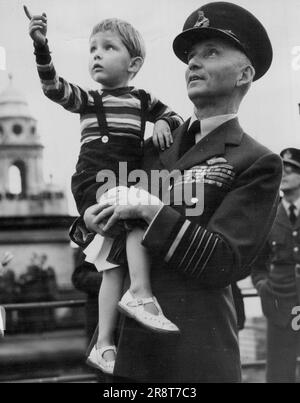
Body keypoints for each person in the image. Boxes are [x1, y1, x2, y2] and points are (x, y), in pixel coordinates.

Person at [71, 2, 283, 383]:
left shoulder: (257, 161)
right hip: (129, 355)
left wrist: (153, 212)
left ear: (245, 74)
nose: (193, 64)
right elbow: (102, 233)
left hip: (197, 354)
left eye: (211, 53)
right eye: (190, 57)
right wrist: (85, 221)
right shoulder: (148, 148)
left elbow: (224, 261)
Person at [24, 6, 183, 374]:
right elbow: (52, 87)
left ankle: (104, 343)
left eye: (108, 47)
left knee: (111, 267)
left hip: (122, 181)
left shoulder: (143, 99)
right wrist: (41, 48)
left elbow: (173, 118)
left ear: (134, 63)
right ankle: (141, 293)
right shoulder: (88, 99)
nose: (96, 54)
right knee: (138, 218)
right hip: (95, 180)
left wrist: (161, 121)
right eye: (92, 48)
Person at [252, 148, 300, 383]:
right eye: (282, 171)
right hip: (280, 306)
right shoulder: (269, 215)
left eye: (291, 170)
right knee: (280, 374)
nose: (285, 175)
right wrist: (262, 286)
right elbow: (257, 261)